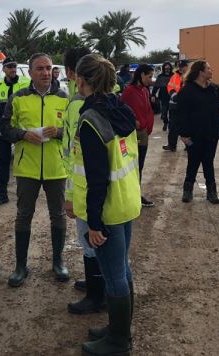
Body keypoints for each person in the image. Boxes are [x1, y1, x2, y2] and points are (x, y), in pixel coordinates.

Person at [71, 53, 141, 356]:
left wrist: (95, 223)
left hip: (109, 209)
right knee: (122, 269)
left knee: (114, 276)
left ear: (80, 79)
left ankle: (118, 342)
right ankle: (118, 329)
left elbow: (97, 178)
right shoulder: (120, 109)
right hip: (127, 201)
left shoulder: (91, 120)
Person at [1, 53, 69, 287]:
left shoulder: (64, 98)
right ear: (29, 73)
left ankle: (58, 262)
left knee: (58, 215)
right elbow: (4, 128)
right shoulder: (18, 98)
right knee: (23, 216)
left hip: (56, 167)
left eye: (49, 68)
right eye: (39, 69)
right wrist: (23, 134)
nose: (45, 73)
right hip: (26, 168)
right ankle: (21, 266)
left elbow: (73, 131)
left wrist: (59, 133)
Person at [62, 47, 105, 313]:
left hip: (84, 185)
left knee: (89, 240)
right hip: (101, 184)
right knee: (99, 241)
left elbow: (75, 155)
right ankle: (96, 286)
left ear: (73, 75)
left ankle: (96, 295)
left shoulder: (80, 104)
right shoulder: (107, 100)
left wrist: (69, 195)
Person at [176, 61, 219, 203]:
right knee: (193, 162)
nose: (211, 71)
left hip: (211, 133)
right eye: (208, 69)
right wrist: (183, 134)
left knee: (208, 162)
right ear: (200, 72)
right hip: (194, 135)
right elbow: (180, 114)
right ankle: (188, 190)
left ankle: (212, 192)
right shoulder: (187, 90)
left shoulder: (214, 89)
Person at [0, 57, 29, 207]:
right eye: (9, 66)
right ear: (4, 69)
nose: (12, 69)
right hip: (3, 132)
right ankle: (2, 194)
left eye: (14, 66)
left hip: (21, 132)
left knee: (25, 164)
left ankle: (26, 195)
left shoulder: (26, 83)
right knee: (4, 163)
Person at [121, 64, 154, 208]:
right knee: (133, 167)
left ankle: (136, 194)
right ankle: (132, 196)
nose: (151, 80)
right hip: (133, 134)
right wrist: (134, 122)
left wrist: (147, 126)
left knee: (139, 166)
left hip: (144, 133)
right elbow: (120, 110)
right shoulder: (129, 91)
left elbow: (147, 110)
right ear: (141, 75)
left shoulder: (145, 91)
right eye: (149, 76)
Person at [163, 60, 188, 151]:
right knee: (173, 126)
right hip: (174, 105)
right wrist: (174, 95)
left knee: (186, 126)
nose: (181, 68)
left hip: (186, 106)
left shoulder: (191, 77)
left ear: (187, 67)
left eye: (182, 66)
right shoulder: (174, 76)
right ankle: (172, 145)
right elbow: (169, 87)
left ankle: (189, 145)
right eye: (179, 66)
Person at [152, 62, 173, 131]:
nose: (167, 69)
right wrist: (153, 94)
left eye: (168, 68)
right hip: (163, 96)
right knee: (164, 112)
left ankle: (170, 124)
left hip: (172, 96)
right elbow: (156, 87)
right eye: (166, 68)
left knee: (172, 112)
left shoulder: (174, 76)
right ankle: (165, 123)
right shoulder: (160, 77)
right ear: (164, 68)